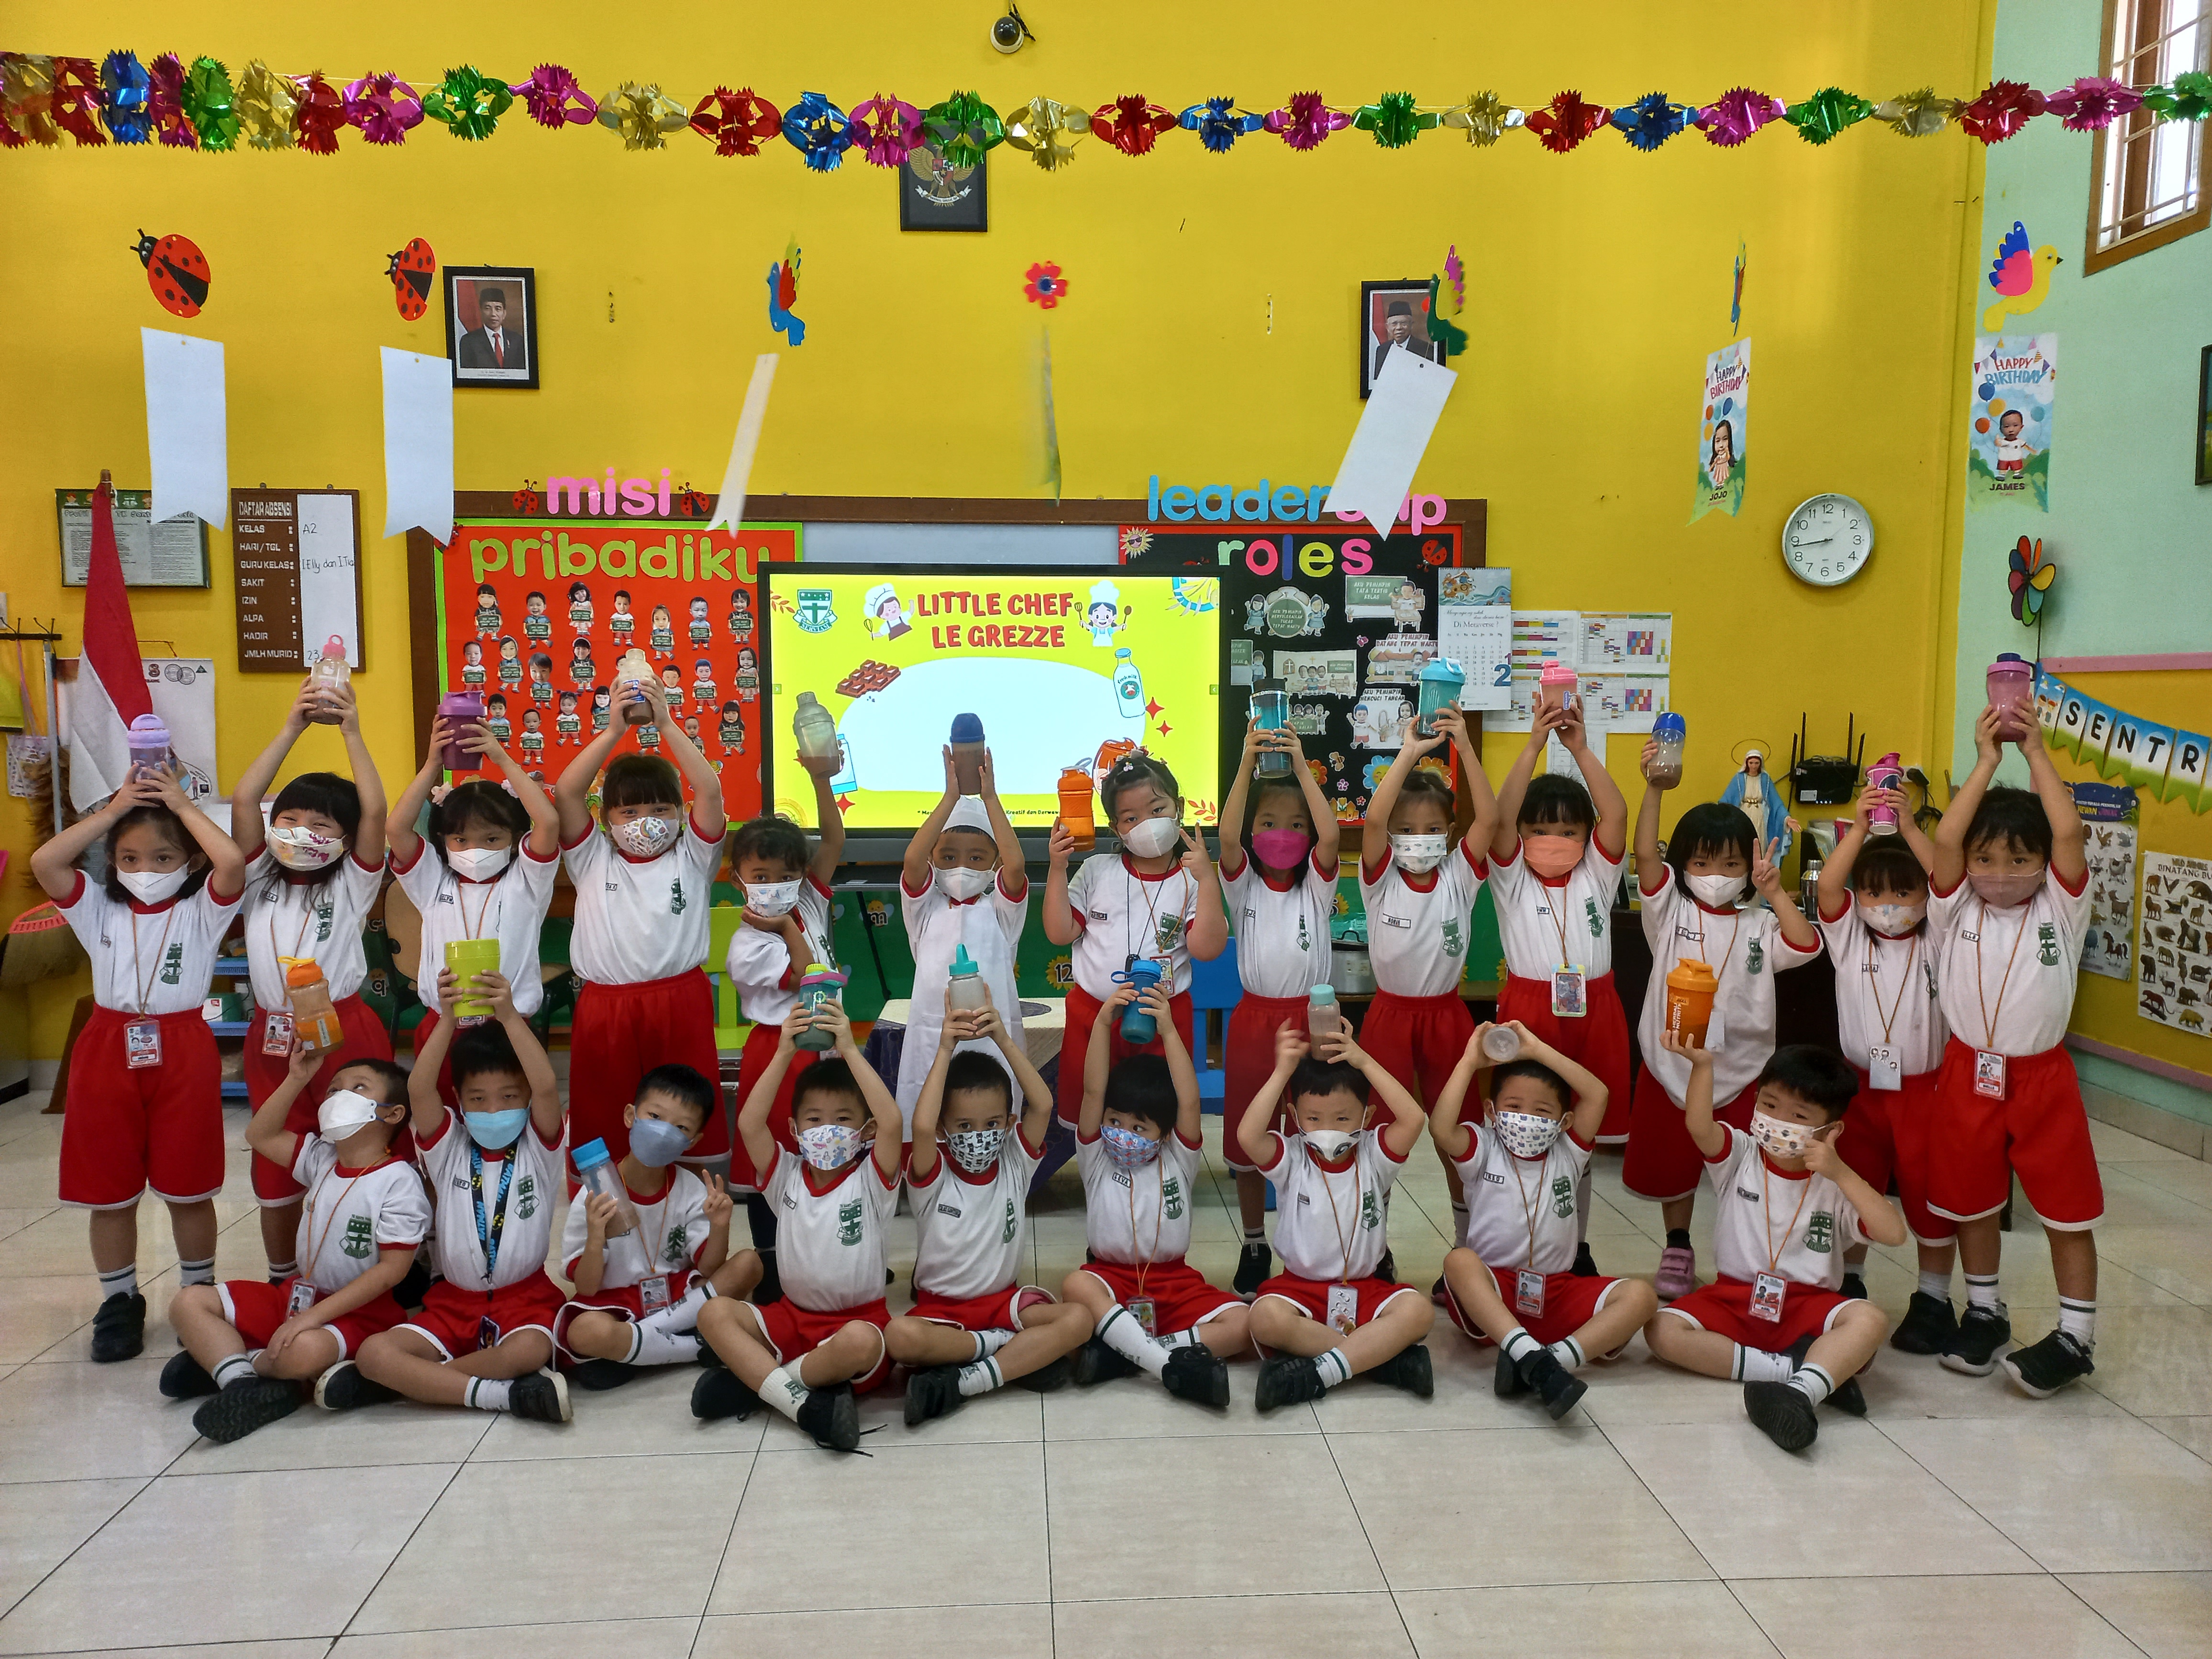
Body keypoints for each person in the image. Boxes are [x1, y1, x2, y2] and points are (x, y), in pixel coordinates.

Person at [30, 763, 246, 1361]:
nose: (144, 871)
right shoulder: (96, 907)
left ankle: (198, 1296)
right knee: (110, 1190)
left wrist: (181, 805)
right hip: (107, 1048)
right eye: (129, 858)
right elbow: (46, 862)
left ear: (188, 861)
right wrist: (115, 809)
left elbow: (231, 861)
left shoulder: (202, 910)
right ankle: (120, 1300)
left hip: (183, 1047)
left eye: (161, 858)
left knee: (189, 1185)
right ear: (112, 861)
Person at [1925, 704, 2099, 1394]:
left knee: (2066, 1207)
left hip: (2042, 1077)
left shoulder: (2061, 905)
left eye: (2020, 859)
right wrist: (1986, 761)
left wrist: (2034, 752)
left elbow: (2068, 830)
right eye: (1986, 859)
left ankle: (2075, 1336)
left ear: (2043, 864)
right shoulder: (1954, 906)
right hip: (1967, 1070)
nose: (2001, 872)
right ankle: (1984, 1311)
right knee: (1970, 1201)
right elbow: (1946, 837)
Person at [1627, 737, 1821, 1300]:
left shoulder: (1759, 923)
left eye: (1731, 864)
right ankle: (1677, 1244)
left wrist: (1773, 892)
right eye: (1702, 863)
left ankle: (1745, 1253)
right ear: (1683, 865)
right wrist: (1653, 790)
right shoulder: (1669, 911)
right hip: (1672, 1064)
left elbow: (1805, 945)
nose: (1716, 874)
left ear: (1749, 865)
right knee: (1674, 1167)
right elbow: (1645, 857)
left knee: (1747, 1169)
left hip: (1744, 1068)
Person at [1642, 1039, 1905, 1452]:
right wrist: (1704, 1066)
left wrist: (1841, 1174)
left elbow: (1894, 1234)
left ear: (1831, 1130)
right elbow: (1698, 1125)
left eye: (1798, 1116)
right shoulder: (1740, 1155)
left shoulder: (1838, 1182)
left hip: (1808, 1302)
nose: (1779, 1121)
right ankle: (1806, 1374)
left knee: (1869, 1320)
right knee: (1660, 1330)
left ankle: (1802, 1392)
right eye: (1769, 1105)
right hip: (1734, 1297)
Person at [336, 969, 571, 1422]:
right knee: (374, 1352)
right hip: (452, 1304)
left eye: (509, 1097)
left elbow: (545, 1084)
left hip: (526, 1300)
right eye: (478, 1099)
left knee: (530, 1350)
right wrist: (446, 1020)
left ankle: (420, 1383)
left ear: (526, 1101)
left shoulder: (538, 1148)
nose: (494, 1109)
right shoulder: (448, 1148)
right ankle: (502, 1396)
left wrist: (509, 1016)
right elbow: (420, 1088)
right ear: (460, 1101)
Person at [159, 1048, 422, 1441]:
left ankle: (226, 1364)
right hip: (297, 1295)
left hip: (361, 1312)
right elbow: (260, 1135)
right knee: (188, 1302)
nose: (339, 1096)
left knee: (303, 1351)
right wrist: (297, 1078)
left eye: (358, 1088)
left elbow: (392, 1272)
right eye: (334, 1089)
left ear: (393, 1113)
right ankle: (245, 1382)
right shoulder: (322, 1158)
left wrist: (312, 1320)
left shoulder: (399, 1181)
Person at [229, 675, 393, 1276]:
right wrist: (292, 727)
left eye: (321, 825)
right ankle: (284, 1276)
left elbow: (375, 809)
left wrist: (351, 730)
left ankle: (379, 1266)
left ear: (346, 840)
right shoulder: (256, 878)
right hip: (272, 1037)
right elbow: (244, 800)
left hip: (344, 1029)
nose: (302, 832)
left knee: (362, 1144)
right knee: (276, 1158)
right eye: (290, 819)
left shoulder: (353, 882)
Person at [691, 1001, 901, 1452]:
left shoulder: (872, 1179)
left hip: (856, 1323)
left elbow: (893, 1122)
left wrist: (849, 1049)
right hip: (789, 1320)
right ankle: (800, 1402)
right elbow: (749, 1123)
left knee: (862, 1342)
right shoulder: (785, 1173)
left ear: (865, 1131)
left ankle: (760, 1386)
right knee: (712, 1313)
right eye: (815, 1120)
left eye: (843, 1120)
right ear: (794, 1128)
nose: (828, 1129)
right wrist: (784, 1051)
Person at [1431, 1022, 1659, 1421]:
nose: (1526, 1118)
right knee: (1459, 1262)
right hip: (1494, 1292)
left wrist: (1537, 1050)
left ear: (1565, 1121)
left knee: (1642, 1296)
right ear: (1491, 1111)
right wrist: (1469, 1062)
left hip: (1558, 1291)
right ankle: (1531, 1355)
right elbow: (1440, 1128)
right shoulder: (1484, 1147)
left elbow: (1598, 1094)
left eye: (1541, 1111)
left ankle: (1545, 1361)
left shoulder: (1569, 1152)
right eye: (1514, 1107)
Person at [894, 987, 1094, 1425]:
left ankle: (968, 1380)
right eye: (964, 1125)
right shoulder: (933, 1174)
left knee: (1080, 1318)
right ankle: (1009, 1353)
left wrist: (1003, 1038)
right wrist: (945, 1048)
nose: (978, 1135)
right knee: (900, 1336)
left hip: (1004, 1305)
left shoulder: (1014, 1164)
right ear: (945, 1129)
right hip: (940, 1311)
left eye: (991, 1124)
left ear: (1008, 1124)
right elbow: (921, 1125)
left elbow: (1042, 1103)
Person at [555, 677, 727, 1173]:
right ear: (606, 818)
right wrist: (613, 731)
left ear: (680, 813)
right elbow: (566, 791)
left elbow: (710, 788)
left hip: (680, 1002)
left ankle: (688, 1203)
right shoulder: (592, 858)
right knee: (605, 1113)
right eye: (629, 811)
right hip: (605, 1008)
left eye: (659, 809)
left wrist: (666, 724)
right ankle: (604, 1206)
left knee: (685, 1113)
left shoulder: (694, 857)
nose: (645, 821)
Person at [1814, 781, 1957, 1350]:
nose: (1888, 906)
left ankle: (1933, 1298)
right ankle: (1849, 1281)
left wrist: (1911, 829)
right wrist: (1857, 827)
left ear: (1925, 895)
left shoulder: (1940, 936)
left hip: (1925, 1090)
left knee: (1927, 1192)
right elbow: (1829, 886)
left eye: (1903, 891)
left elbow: (1948, 879)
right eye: (1873, 894)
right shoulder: (1850, 937)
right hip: (1859, 1091)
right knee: (1854, 1187)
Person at [1062, 982, 1249, 1406]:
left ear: (1164, 1133)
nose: (1123, 1134)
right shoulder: (1097, 1155)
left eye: (1139, 1127)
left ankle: (1127, 1355)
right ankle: (1166, 1363)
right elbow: (1093, 1091)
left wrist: (1168, 1030)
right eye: (1115, 1121)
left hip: (1175, 1284)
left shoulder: (1178, 1157)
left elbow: (1189, 1099)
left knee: (1244, 1323)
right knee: (1075, 1286)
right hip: (1110, 1280)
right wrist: (1102, 1024)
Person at [1359, 710, 1498, 1269]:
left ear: (1450, 832)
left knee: (1458, 1137)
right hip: (1388, 1019)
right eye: (1408, 830)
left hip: (1446, 1019)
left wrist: (1463, 743)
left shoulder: (1459, 876)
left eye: (1433, 829)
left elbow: (1489, 818)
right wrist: (1409, 753)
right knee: (1380, 1139)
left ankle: (1469, 1247)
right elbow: (1372, 820)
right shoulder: (1380, 877)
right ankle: (1373, 1251)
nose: (1420, 840)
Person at [1238, 1020, 1436, 1410]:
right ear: (1295, 1116)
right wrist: (1282, 1072)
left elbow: (1414, 1119)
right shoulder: (1292, 1156)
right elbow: (1248, 1136)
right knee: (1264, 1319)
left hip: (1365, 1289)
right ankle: (1379, 1360)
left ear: (1367, 1117)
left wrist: (1365, 1062)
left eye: (1343, 1119)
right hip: (1298, 1290)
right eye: (1313, 1119)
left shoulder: (1375, 1155)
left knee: (1418, 1312)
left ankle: (1321, 1372)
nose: (1327, 1129)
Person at [1215, 715, 1342, 1297]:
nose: (1283, 834)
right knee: (1250, 1138)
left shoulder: (1316, 883)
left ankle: (1308, 1235)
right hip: (1254, 1023)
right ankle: (1254, 1243)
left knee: (1313, 1131)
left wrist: (1300, 767)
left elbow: (1331, 836)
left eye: (1295, 825)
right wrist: (1247, 762)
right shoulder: (1241, 881)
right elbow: (1227, 837)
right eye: (1269, 823)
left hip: (1312, 1021)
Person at [1043, 751, 1227, 1127]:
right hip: (1094, 1017)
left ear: (1179, 808)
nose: (1148, 824)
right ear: (1116, 829)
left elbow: (1208, 949)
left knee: (1156, 1121)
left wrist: (1208, 880)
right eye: (1131, 818)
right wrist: (1058, 868)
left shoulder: (1192, 879)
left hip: (1163, 1020)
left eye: (1158, 810)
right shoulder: (1096, 871)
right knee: (1090, 1118)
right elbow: (1060, 932)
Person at [723, 746, 845, 1296]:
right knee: (771, 1161)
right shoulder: (748, 943)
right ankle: (773, 1271)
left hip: (825, 1046)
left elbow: (834, 841)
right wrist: (786, 927)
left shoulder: (807, 902)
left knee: (828, 1148)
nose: (776, 885)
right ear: (739, 881)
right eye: (761, 876)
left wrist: (821, 780)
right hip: (778, 1052)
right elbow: (803, 972)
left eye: (787, 875)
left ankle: (829, 1256)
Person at [557, 1063, 763, 1389]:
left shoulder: (690, 1188)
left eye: (681, 1127)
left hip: (678, 1294)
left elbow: (709, 1267)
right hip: (616, 1302)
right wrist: (596, 1236)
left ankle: (640, 1346)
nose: (664, 1132)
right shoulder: (595, 1193)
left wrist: (720, 1226)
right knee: (584, 1332)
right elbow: (587, 1287)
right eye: (654, 1116)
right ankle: (695, 1348)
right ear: (631, 1116)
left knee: (750, 1263)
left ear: (692, 1141)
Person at [387, 715, 559, 1101]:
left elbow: (548, 822)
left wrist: (501, 758)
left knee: (506, 1116)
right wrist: (432, 764)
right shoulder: (433, 882)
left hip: (510, 1028)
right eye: (461, 840)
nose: (474, 850)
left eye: (492, 839)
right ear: (443, 840)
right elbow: (397, 828)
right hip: (443, 1027)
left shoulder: (527, 882)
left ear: (515, 840)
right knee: (442, 1115)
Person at [1488, 699, 1633, 1156]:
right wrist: (1534, 745)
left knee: (1587, 1130)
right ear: (1521, 834)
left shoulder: (1597, 874)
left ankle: (1578, 1204)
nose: (1554, 841)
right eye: (1539, 831)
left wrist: (1580, 750)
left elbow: (1616, 815)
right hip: (1530, 1008)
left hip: (1598, 1006)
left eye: (1569, 832)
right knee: (1529, 1123)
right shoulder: (1512, 878)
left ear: (1587, 836)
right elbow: (1500, 818)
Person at [896, 745, 1028, 1138]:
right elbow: (912, 861)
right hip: (933, 1039)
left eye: (976, 858)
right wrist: (950, 798)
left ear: (993, 865)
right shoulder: (924, 909)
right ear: (934, 860)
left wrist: (991, 799)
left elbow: (1017, 865)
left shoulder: (1000, 911)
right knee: (930, 1120)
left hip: (993, 1038)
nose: (961, 868)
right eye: (949, 857)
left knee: (991, 1118)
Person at [456, 286, 525, 373]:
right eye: (488, 308)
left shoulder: (517, 340)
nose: (493, 314)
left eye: (498, 309)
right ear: (481, 312)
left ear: (504, 313)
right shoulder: (469, 341)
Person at [1372, 299, 1437, 378]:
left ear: (1411, 325)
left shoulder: (1426, 349)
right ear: (1388, 327)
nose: (1399, 328)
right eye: (1394, 324)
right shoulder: (1382, 350)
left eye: (1404, 323)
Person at [1707, 420, 1736, 489]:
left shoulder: (1725, 455)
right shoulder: (1718, 457)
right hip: (1718, 468)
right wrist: (1711, 468)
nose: (1721, 445)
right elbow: (1714, 463)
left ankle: (1722, 483)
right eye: (1718, 441)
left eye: (1725, 439)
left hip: (1724, 467)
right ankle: (1719, 484)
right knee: (1719, 476)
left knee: (1723, 475)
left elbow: (1728, 458)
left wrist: (1727, 451)